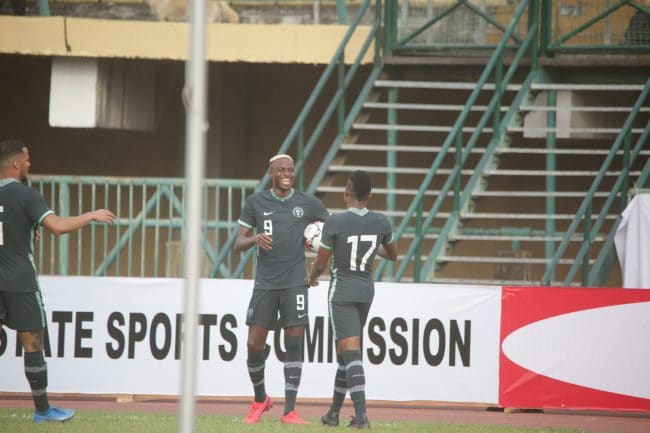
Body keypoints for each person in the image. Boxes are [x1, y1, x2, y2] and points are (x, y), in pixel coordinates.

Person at [0, 139, 116, 423]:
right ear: (16, 164)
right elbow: (58, 227)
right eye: (26, 159)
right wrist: (92, 214)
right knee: (32, 342)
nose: (29, 163)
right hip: (19, 281)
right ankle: (43, 411)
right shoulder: (27, 195)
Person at [234, 154, 329, 425]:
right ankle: (260, 398)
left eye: (290, 170)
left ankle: (289, 411)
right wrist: (254, 238)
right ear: (271, 173)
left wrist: (315, 268)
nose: (287, 173)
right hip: (265, 282)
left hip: (295, 282)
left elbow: (332, 229)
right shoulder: (256, 202)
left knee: (294, 344)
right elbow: (237, 243)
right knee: (254, 343)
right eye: (281, 170)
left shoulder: (308, 202)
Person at [308, 170, 397, 429]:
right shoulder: (381, 223)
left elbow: (322, 263)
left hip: (342, 291)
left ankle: (362, 418)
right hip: (365, 290)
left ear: (346, 194)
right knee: (345, 354)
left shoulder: (335, 223)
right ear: (370, 195)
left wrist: (311, 276)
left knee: (351, 353)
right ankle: (333, 414)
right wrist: (370, 244)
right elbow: (392, 255)